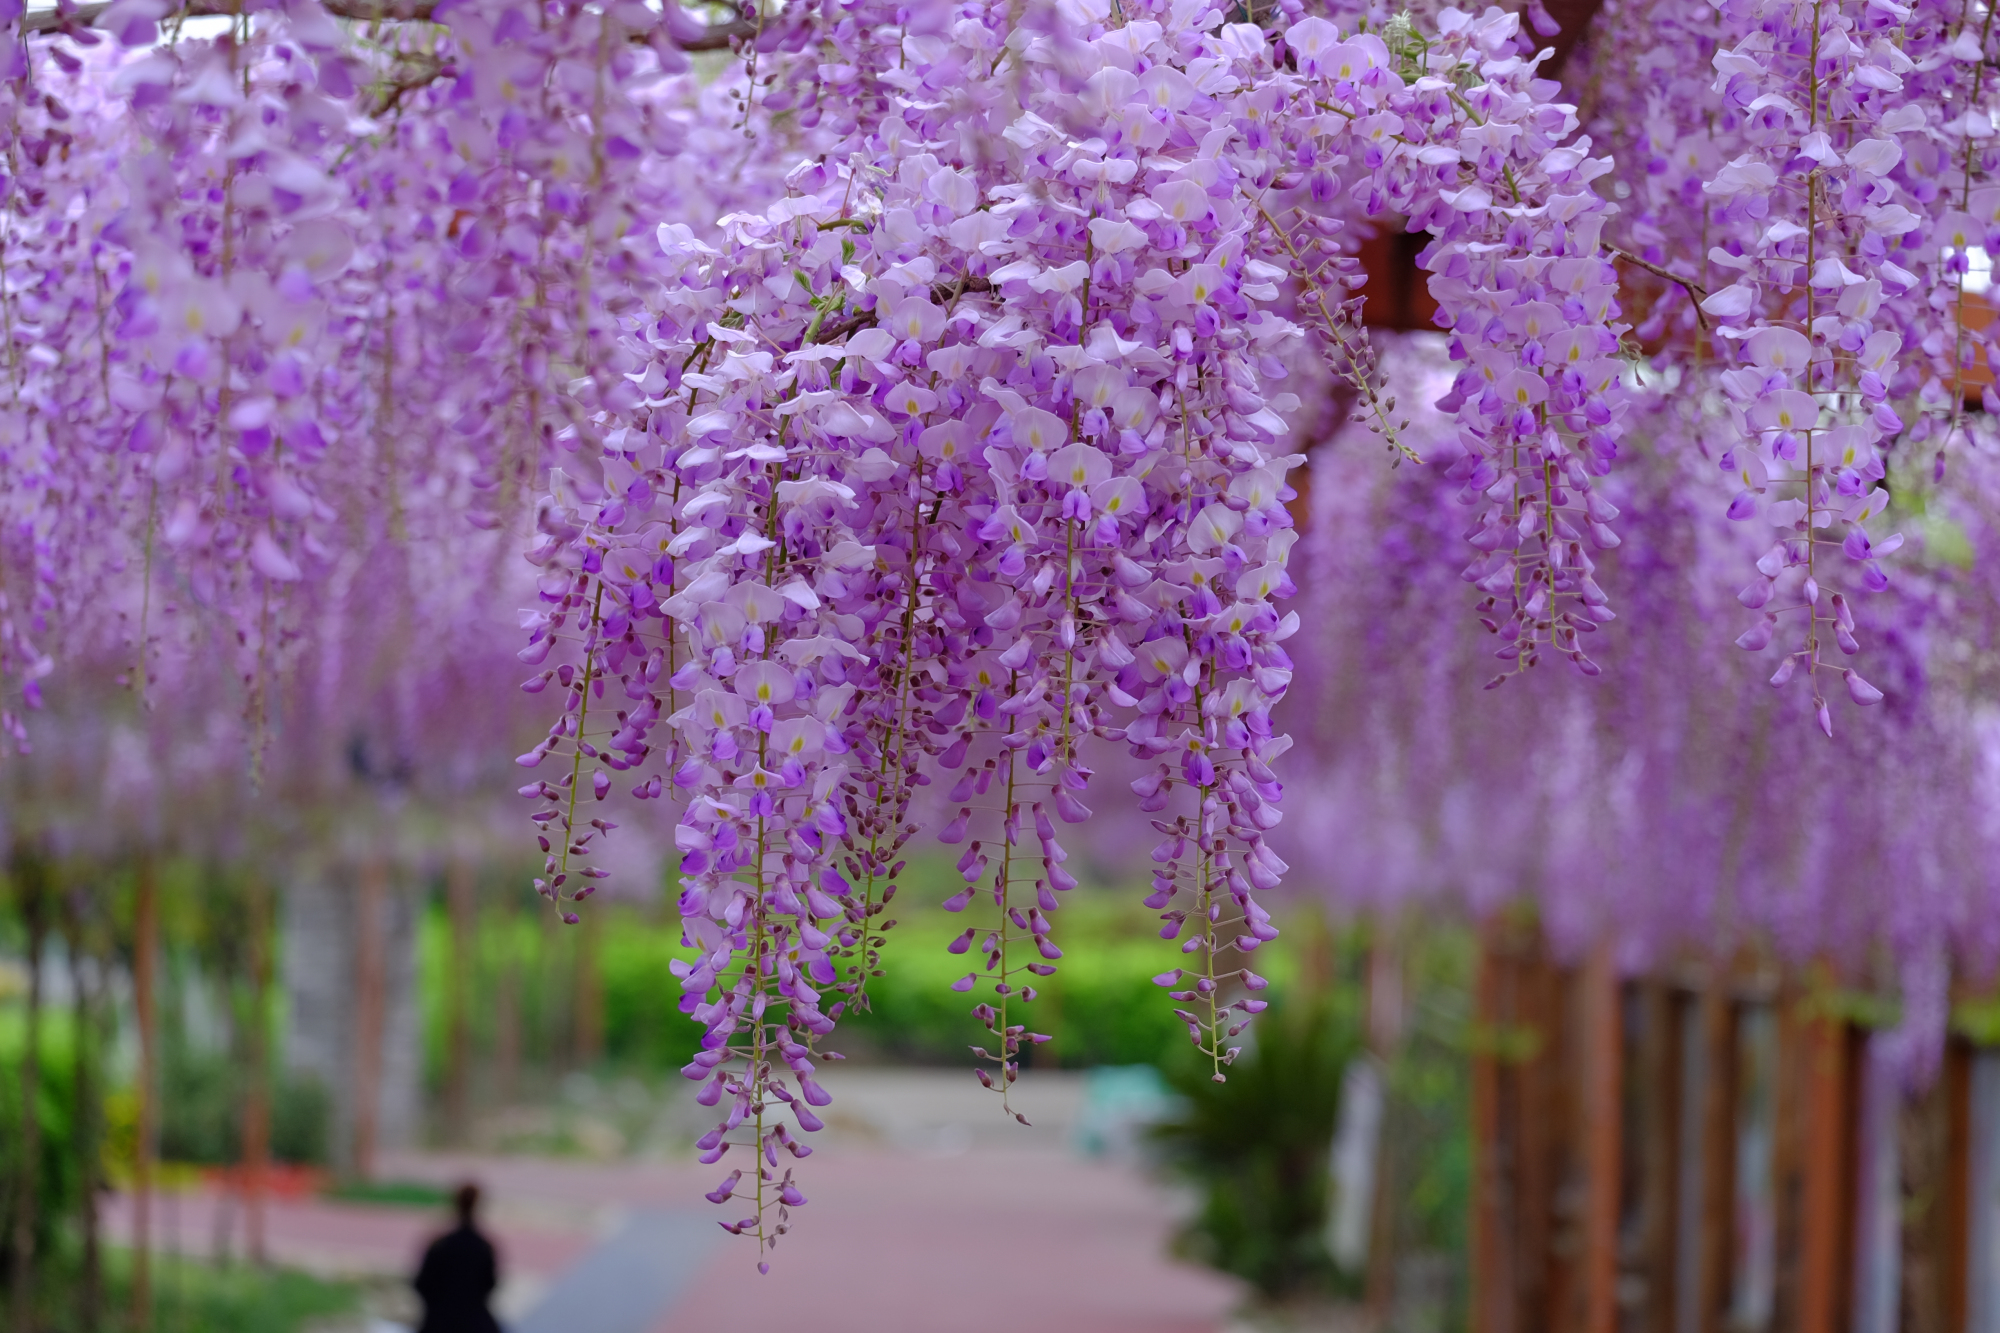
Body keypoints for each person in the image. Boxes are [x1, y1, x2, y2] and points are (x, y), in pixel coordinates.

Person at [413, 1182, 501, 1333]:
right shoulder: (483, 1247)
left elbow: (422, 1283)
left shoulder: (441, 1245)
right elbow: (490, 1284)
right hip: (475, 1323)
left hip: (439, 1322)